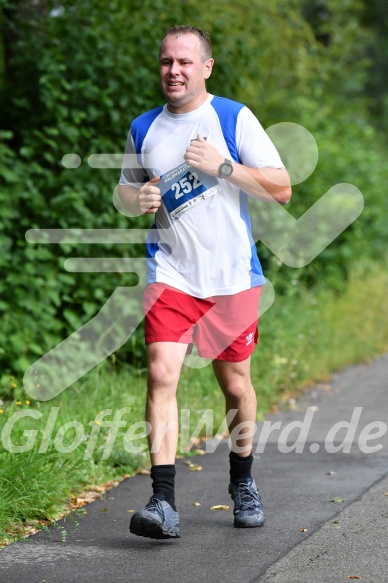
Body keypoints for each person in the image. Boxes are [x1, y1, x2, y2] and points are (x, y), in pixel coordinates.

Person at [118, 25, 291, 539]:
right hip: (169, 271)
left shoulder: (233, 118)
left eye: (186, 62)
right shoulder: (144, 127)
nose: (175, 71)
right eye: (167, 61)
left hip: (230, 277)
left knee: (235, 386)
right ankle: (162, 501)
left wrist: (223, 166)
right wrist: (138, 201)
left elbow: (281, 188)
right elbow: (127, 190)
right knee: (161, 373)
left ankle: (242, 482)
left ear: (206, 67)